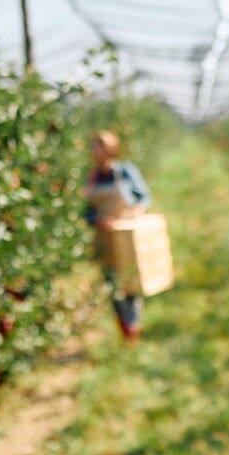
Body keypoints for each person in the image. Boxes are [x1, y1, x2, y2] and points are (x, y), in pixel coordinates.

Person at [83, 129, 151, 344]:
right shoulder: (92, 177)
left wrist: (133, 214)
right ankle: (125, 327)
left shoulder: (125, 171)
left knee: (131, 283)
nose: (93, 150)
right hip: (104, 238)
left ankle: (132, 327)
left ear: (109, 150)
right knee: (112, 284)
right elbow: (85, 210)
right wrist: (97, 219)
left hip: (126, 236)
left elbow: (144, 198)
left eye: (97, 146)